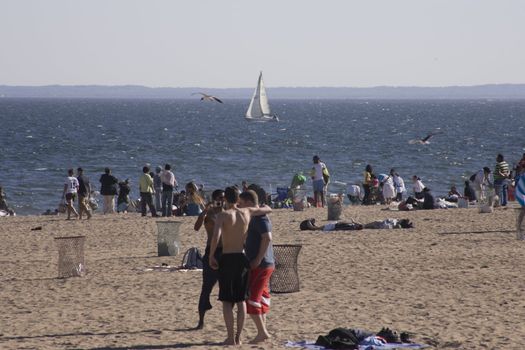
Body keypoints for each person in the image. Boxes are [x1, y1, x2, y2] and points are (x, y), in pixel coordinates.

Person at [209, 187, 271, 346]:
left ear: (225, 200)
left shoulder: (223, 215)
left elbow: (216, 237)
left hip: (228, 257)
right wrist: (262, 207)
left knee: (227, 301)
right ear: (238, 199)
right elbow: (267, 208)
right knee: (241, 300)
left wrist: (211, 255)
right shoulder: (247, 212)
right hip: (242, 258)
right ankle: (239, 337)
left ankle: (230, 338)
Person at [239, 190, 275, 344]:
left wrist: (257, 259)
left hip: (261, 264)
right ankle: (263, 331)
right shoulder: (255, 215)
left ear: (248, 203)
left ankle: (262, 332)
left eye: (241, 203)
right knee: (262, 297)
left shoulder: (260, 217)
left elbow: (267, 237)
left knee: (252, 299)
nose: (239, 205)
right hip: (264, 263)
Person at [193, 189, 225, 329]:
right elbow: (196, 227)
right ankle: (201, 321)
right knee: (206, 287)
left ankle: (229, 321)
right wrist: (205, 210)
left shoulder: (228, 212)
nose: (222, 200)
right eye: (219, 198)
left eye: (224, 198)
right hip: (210, 251)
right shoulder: (209, 213)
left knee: (226, 288)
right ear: (213, 199)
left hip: (226, 251)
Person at [515, 166, 525, 240]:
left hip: (521, 192)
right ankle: (519, 228)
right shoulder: (523, 176)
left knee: (523, 211)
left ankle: (519, 228)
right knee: (523, 210)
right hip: (521, 193)